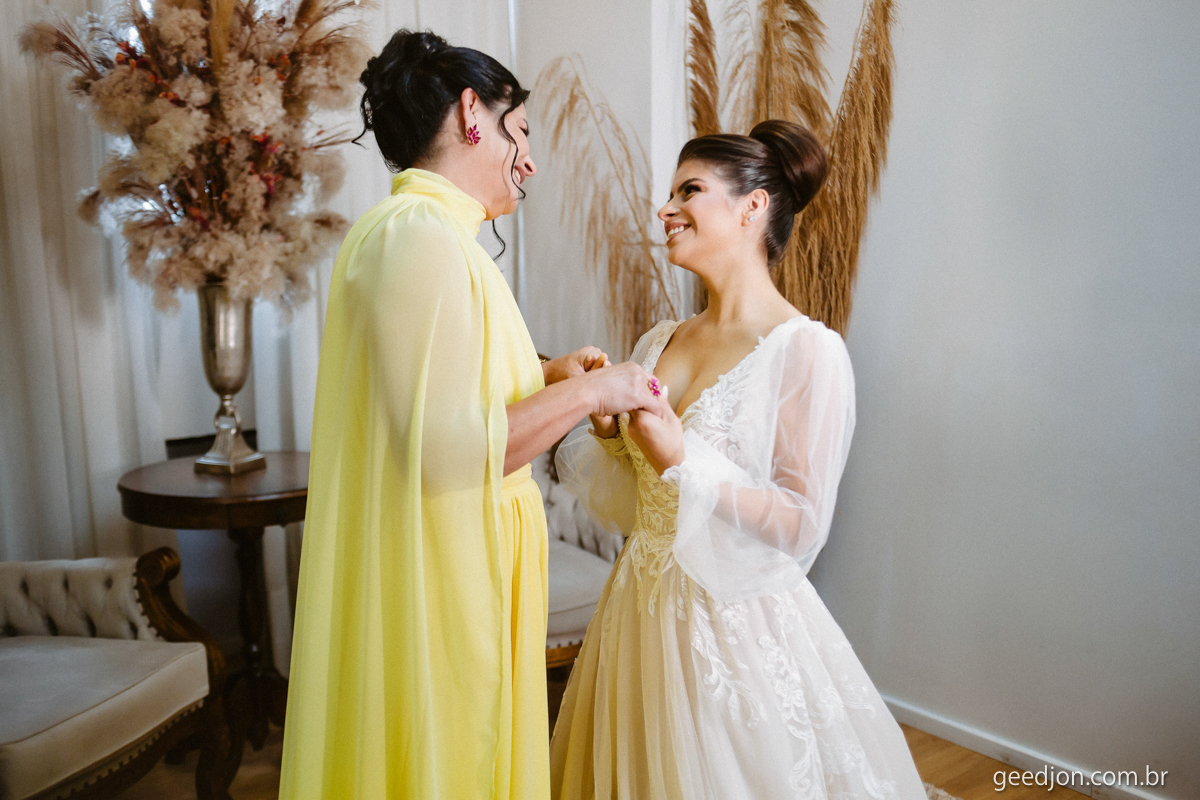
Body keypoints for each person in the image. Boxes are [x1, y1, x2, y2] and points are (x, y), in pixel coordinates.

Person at [278, 30, 657, 800]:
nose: (531, 161)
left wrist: (545, 374)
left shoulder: (423, 234)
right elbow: (448, 451)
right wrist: (592, 394)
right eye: (522, 130)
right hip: (450, 575)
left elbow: (439, 393)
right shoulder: (420, 238)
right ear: (470, 113)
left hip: (467, 558)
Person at [549, 120, 928, 799]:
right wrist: (612, 438)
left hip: (732, 624)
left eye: (688, 191)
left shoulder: (806, 350)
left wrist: (683, 459)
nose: (665, 210)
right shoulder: (659, 340)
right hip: (637, 610)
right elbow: (642, 502)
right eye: (670, 194)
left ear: (753, 206)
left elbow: (801, 524)